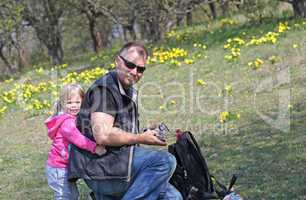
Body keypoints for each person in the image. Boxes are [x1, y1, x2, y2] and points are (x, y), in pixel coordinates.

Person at [68, 42, 182, 200]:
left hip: (118, 164)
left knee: (173, 197)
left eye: (141, 69)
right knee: (164, 161)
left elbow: (121, 132)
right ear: (117, 61)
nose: (135, 72)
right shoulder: (105, 90)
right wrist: (141, 138)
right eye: (130, 65)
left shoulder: (126, 89)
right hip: (102, 170)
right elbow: (103, 135)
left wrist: (147, 132)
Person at [45, 84, 105, 200]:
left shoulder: (75, 118)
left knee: (72, 195)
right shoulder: (67, 123)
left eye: (77, 102)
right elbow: (79, 140)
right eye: (69, 103)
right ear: (63, 104)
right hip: (59, 168)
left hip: (63, 167)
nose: (74, 106)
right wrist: (95, 148)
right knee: (65, 196)